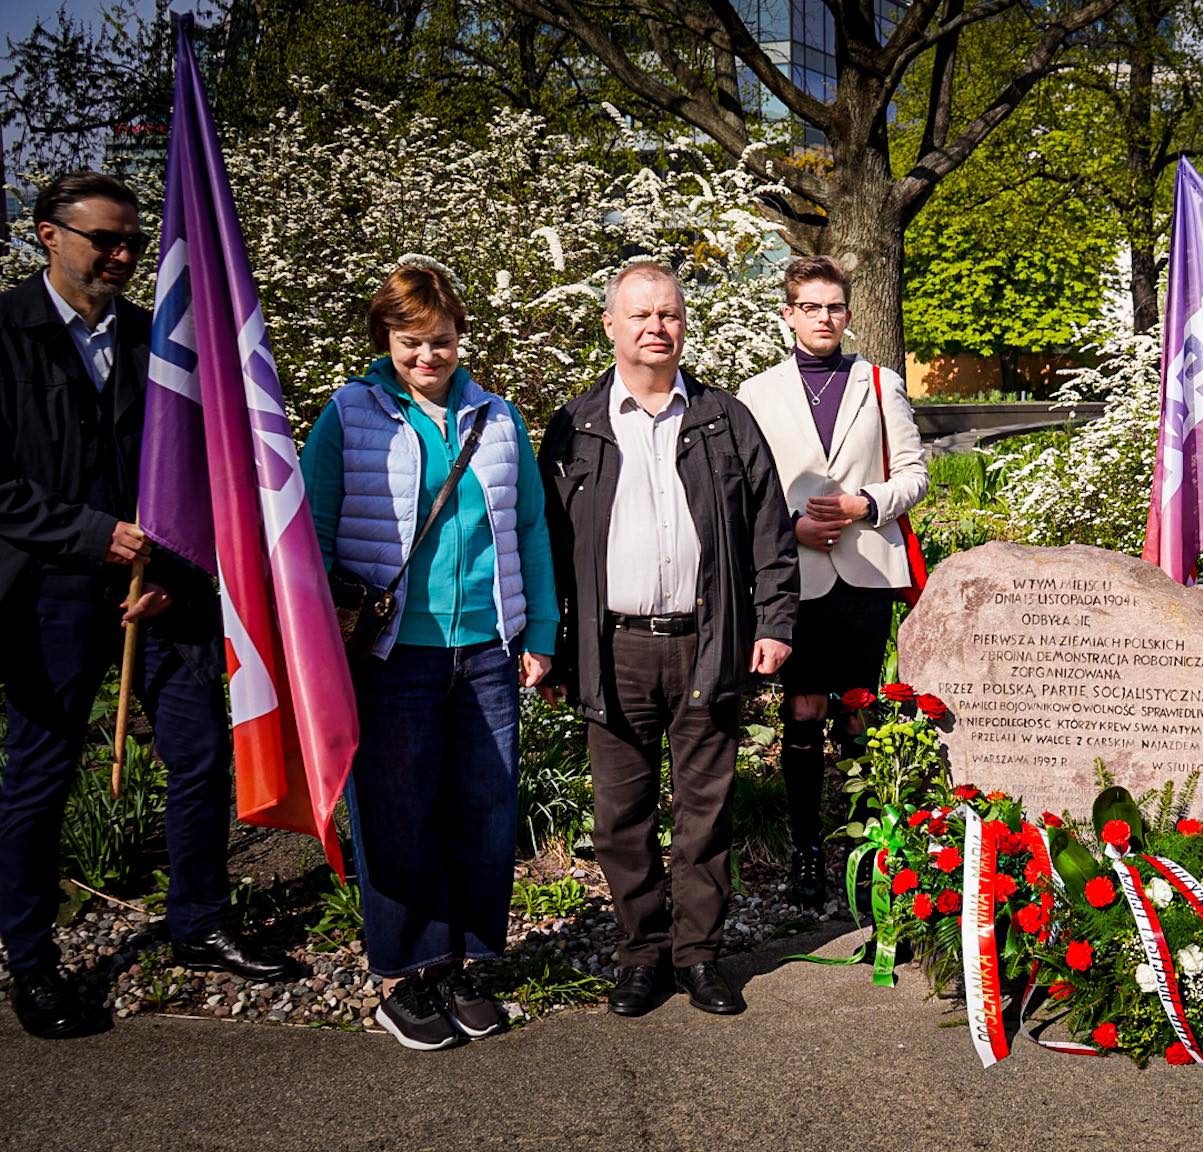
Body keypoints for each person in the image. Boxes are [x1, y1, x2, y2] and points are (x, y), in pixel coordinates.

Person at [1, 171, 288, 1041]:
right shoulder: (3, 335)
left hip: (160, 592)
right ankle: (33, 959)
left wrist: (172, 566)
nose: (124, 256)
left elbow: (194, 472)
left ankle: (199, 922)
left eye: (133, 241)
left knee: (200, 761)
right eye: (105, 241)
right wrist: (91, 535)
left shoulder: (154, 339)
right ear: (48, 236)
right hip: (47, 594)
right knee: (42, 778)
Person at [303, 259, 558, 1050]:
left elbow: (531, 534)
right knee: (397, 814)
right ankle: (402, 975)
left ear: (461, 338)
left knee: (483, 812)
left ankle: (462, 960)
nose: (428, 357)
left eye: (442, 341)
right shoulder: (350, 415)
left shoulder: (499, 417)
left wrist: (540, 633)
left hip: (485, 651)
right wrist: (312, 651)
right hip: (390, 657)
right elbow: (309, 533)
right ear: (386, 338)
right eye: (412, 342)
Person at [540, 261, 799, 1019]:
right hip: (611, 649)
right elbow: (548, 541)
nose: (658, 327)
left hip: (707, 642)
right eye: (642, 315)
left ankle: (700, 957)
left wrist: (776, 622)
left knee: (704, 812)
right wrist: (551, 647)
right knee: (621, 817)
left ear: (684, 325)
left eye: (671, 314)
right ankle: (642, 955)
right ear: (611, 326)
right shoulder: (576, 425)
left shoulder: (723, 419)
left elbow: (769, 534)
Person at [736, 256, 927, 908]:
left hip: (867, 569)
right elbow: (745, 491)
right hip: (796, 575)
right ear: (788, 314)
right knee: (802, 708)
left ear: (847, 313)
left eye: (834, 307)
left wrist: (862, 505)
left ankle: (869, 850)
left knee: (857, 709)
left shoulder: (880, 383)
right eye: (810, 307)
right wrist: (789, 530)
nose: (824, 318)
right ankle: (806, 850)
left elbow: (915, 474)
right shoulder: (757, 395)